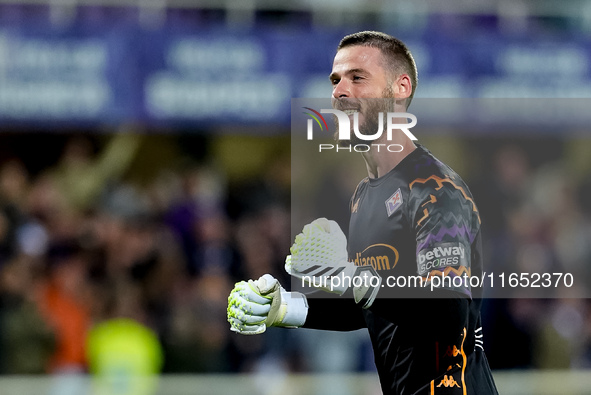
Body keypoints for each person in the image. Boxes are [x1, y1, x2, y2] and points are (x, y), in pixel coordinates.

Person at [227, 31, 498, 395]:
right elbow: (372, 306)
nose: (340, 91)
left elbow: (448, 316)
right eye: (335, 80)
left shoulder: (436, 190)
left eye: (357, 78)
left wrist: (356, 280)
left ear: (400, 88)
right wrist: (285, 309)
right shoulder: (364, 196)